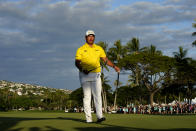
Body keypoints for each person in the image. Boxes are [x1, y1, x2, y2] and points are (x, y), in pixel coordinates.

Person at [75, 30, 120, 123]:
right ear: (85, 37)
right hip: (84, 75)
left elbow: (105, 60)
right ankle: (89, 118)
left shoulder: (99, 48)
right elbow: (77, 62)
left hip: (96, 75)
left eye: (92, 36)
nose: (91, 38)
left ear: (94, 37)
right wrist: (83, 69)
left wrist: (114, 66)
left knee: (97, 96)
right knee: (87, 97)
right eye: (89, 36)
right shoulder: (80, 49)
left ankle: (100, 116)